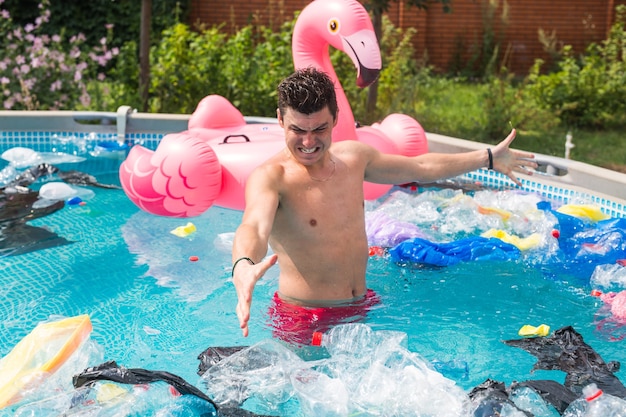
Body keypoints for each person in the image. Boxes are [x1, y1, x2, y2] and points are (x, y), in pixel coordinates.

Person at [231, 67, 537, 341]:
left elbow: (421, 166)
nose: (308, 142)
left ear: (335, 119)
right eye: (297, 130)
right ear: (280, 119)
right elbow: (253, 227)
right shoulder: (272, 178)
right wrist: (243, 265)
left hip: (361, 305)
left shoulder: (354, 159)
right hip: (305, 319)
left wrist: (488, 158)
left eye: (319, 129)